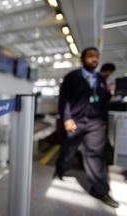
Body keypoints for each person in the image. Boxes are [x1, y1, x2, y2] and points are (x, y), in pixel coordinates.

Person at [54, 47, 119, 208]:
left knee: (96, 156)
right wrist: (67, 118)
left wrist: (103, 119)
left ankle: (100, 190)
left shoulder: (100, 79)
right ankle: (61, 169)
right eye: (90, 56)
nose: (94, 59)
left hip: (96, 123)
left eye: (96, 56)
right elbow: (64, 99)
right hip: (75, 121)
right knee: (69, 149)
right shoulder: (72, 77)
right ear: (82, 58)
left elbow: (103, 101)